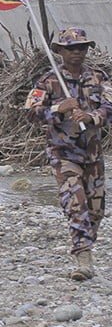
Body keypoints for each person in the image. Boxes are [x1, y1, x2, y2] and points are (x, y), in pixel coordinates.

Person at [25, 27, 112, 281]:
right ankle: (82, 257)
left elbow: (109, 106)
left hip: (93, 155)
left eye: (82, 48)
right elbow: (30, 112)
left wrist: (92, 116)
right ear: (60, 51)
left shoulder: (98, 77)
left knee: (95, 211)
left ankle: (86, 242)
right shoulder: (48, 81)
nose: (77, 53)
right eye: (71, 48)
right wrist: (58, 109)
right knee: (76, 204)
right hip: (63, 155)